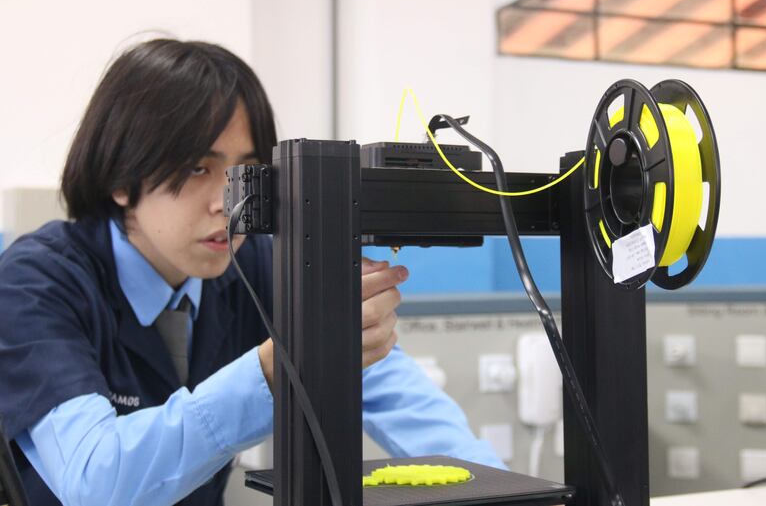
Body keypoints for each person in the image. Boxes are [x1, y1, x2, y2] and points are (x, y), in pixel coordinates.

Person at [0, 38, 504, 506]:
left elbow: (391, 388)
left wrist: (498, 487)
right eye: (197, 168)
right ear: (121, 176)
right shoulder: (35, 284)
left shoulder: (257, 264)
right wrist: (274, 371)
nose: (228, 202)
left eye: (244, 171)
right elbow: (95, 481)